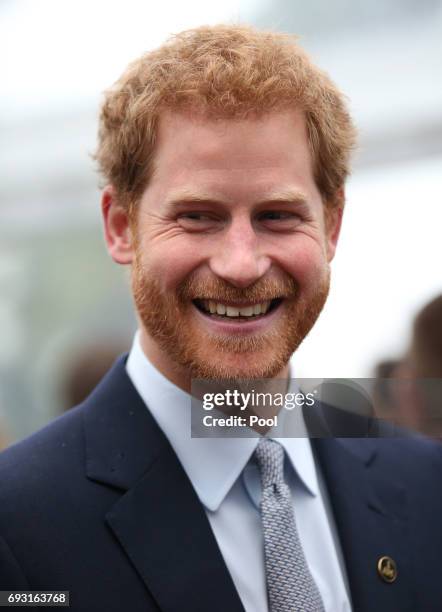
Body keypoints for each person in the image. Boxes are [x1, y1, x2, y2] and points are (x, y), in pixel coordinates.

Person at [0, 25, 441, 612]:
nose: (241, 264)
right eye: (198, 216)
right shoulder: (18, 524)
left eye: (278, 216)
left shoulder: (424, 485)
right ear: (121, 227)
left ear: (331, 227)